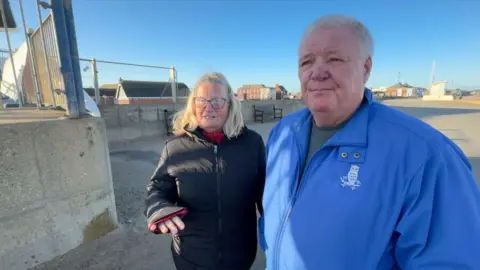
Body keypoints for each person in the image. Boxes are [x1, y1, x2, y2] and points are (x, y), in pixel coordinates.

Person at [259, 14, 480, 270]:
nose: (317, 72)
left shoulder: (427, 155)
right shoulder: (283, 132)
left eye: (334, 58)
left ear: (366, 68)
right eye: (307, 62)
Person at [145, 72, 266, 270]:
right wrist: (158, 208)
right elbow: (158, 187)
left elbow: (265, 193)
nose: (208, 108)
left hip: (240, 254)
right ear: (193, 105)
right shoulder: (175, 146)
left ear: (230, 105)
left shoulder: (252, 143)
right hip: (190, 256)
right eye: (201, 100)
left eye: (217, 101)